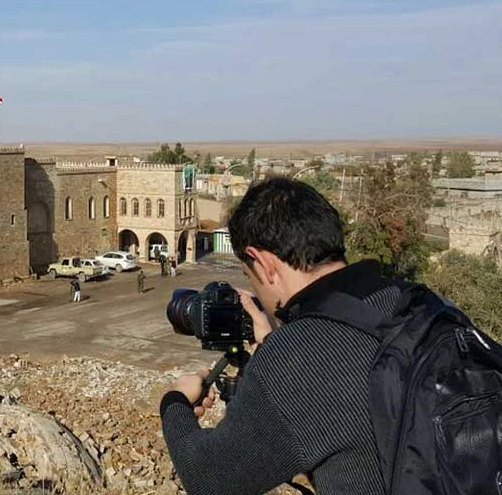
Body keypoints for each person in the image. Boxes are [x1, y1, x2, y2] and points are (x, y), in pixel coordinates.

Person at [160, 177, 406, 494]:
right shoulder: (414, 300)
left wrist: (175, 401)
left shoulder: (298, 356)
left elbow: (209, 479)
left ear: (265, 264)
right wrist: (272, 343)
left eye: (249, 275)